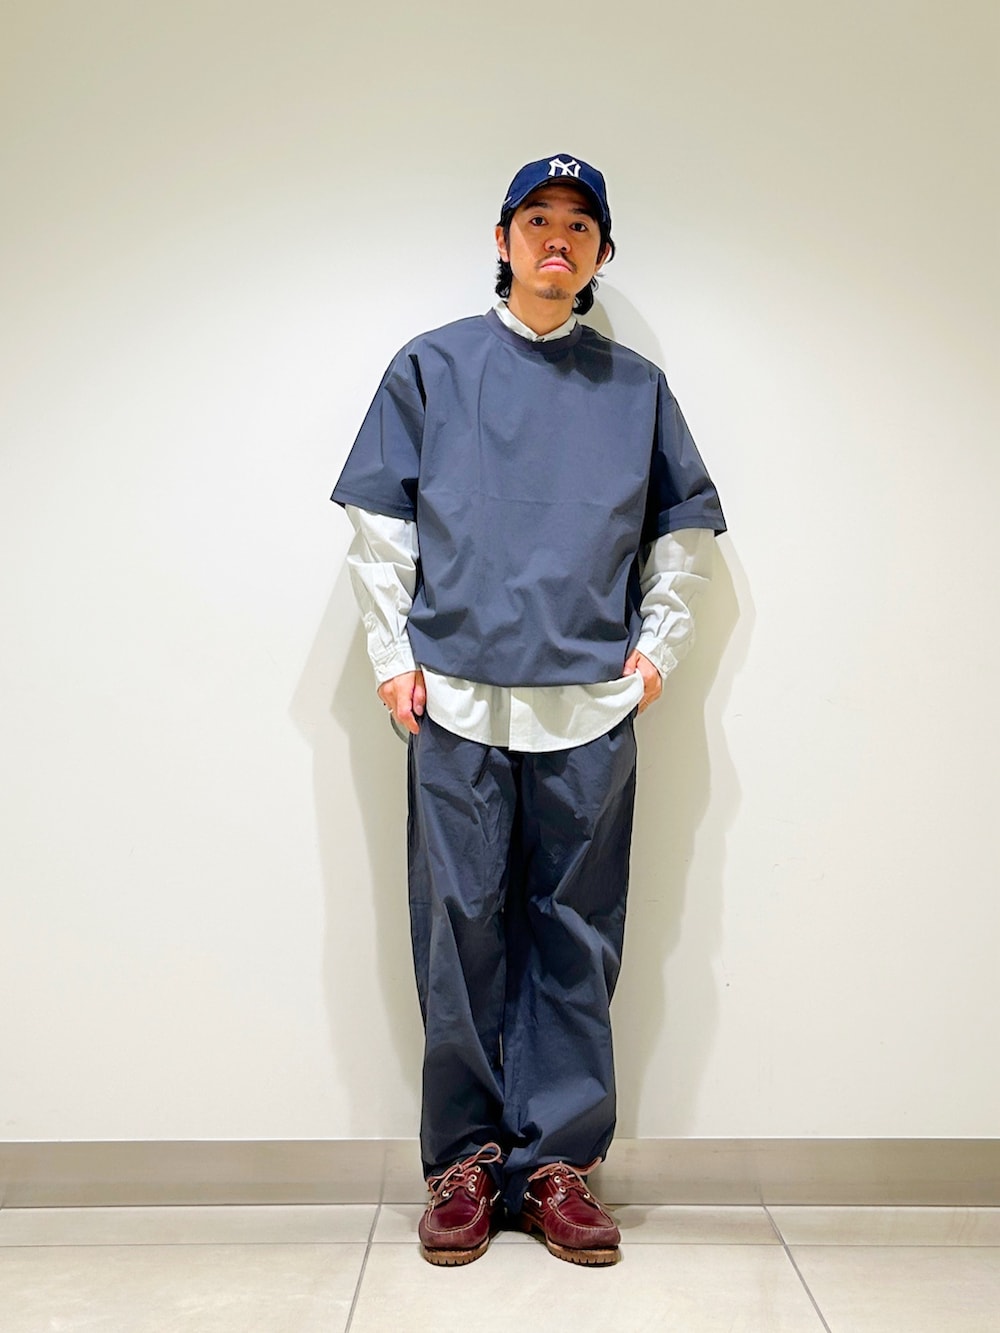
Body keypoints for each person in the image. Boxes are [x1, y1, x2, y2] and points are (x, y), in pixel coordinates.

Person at [331, 153, 725, 1267]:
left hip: (587, 704)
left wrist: (654, 656)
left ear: (601, 254)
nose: (559, 238)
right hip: (453, 696)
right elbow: (380, 528)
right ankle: (464, 1161)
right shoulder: (432, 367)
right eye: (538, 219)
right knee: (456, 929)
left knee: (576, 934)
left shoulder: (635, 391)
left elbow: (683, 530)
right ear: (502, 240)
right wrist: (390, 658)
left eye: (580, 225)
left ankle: (556, 1166)